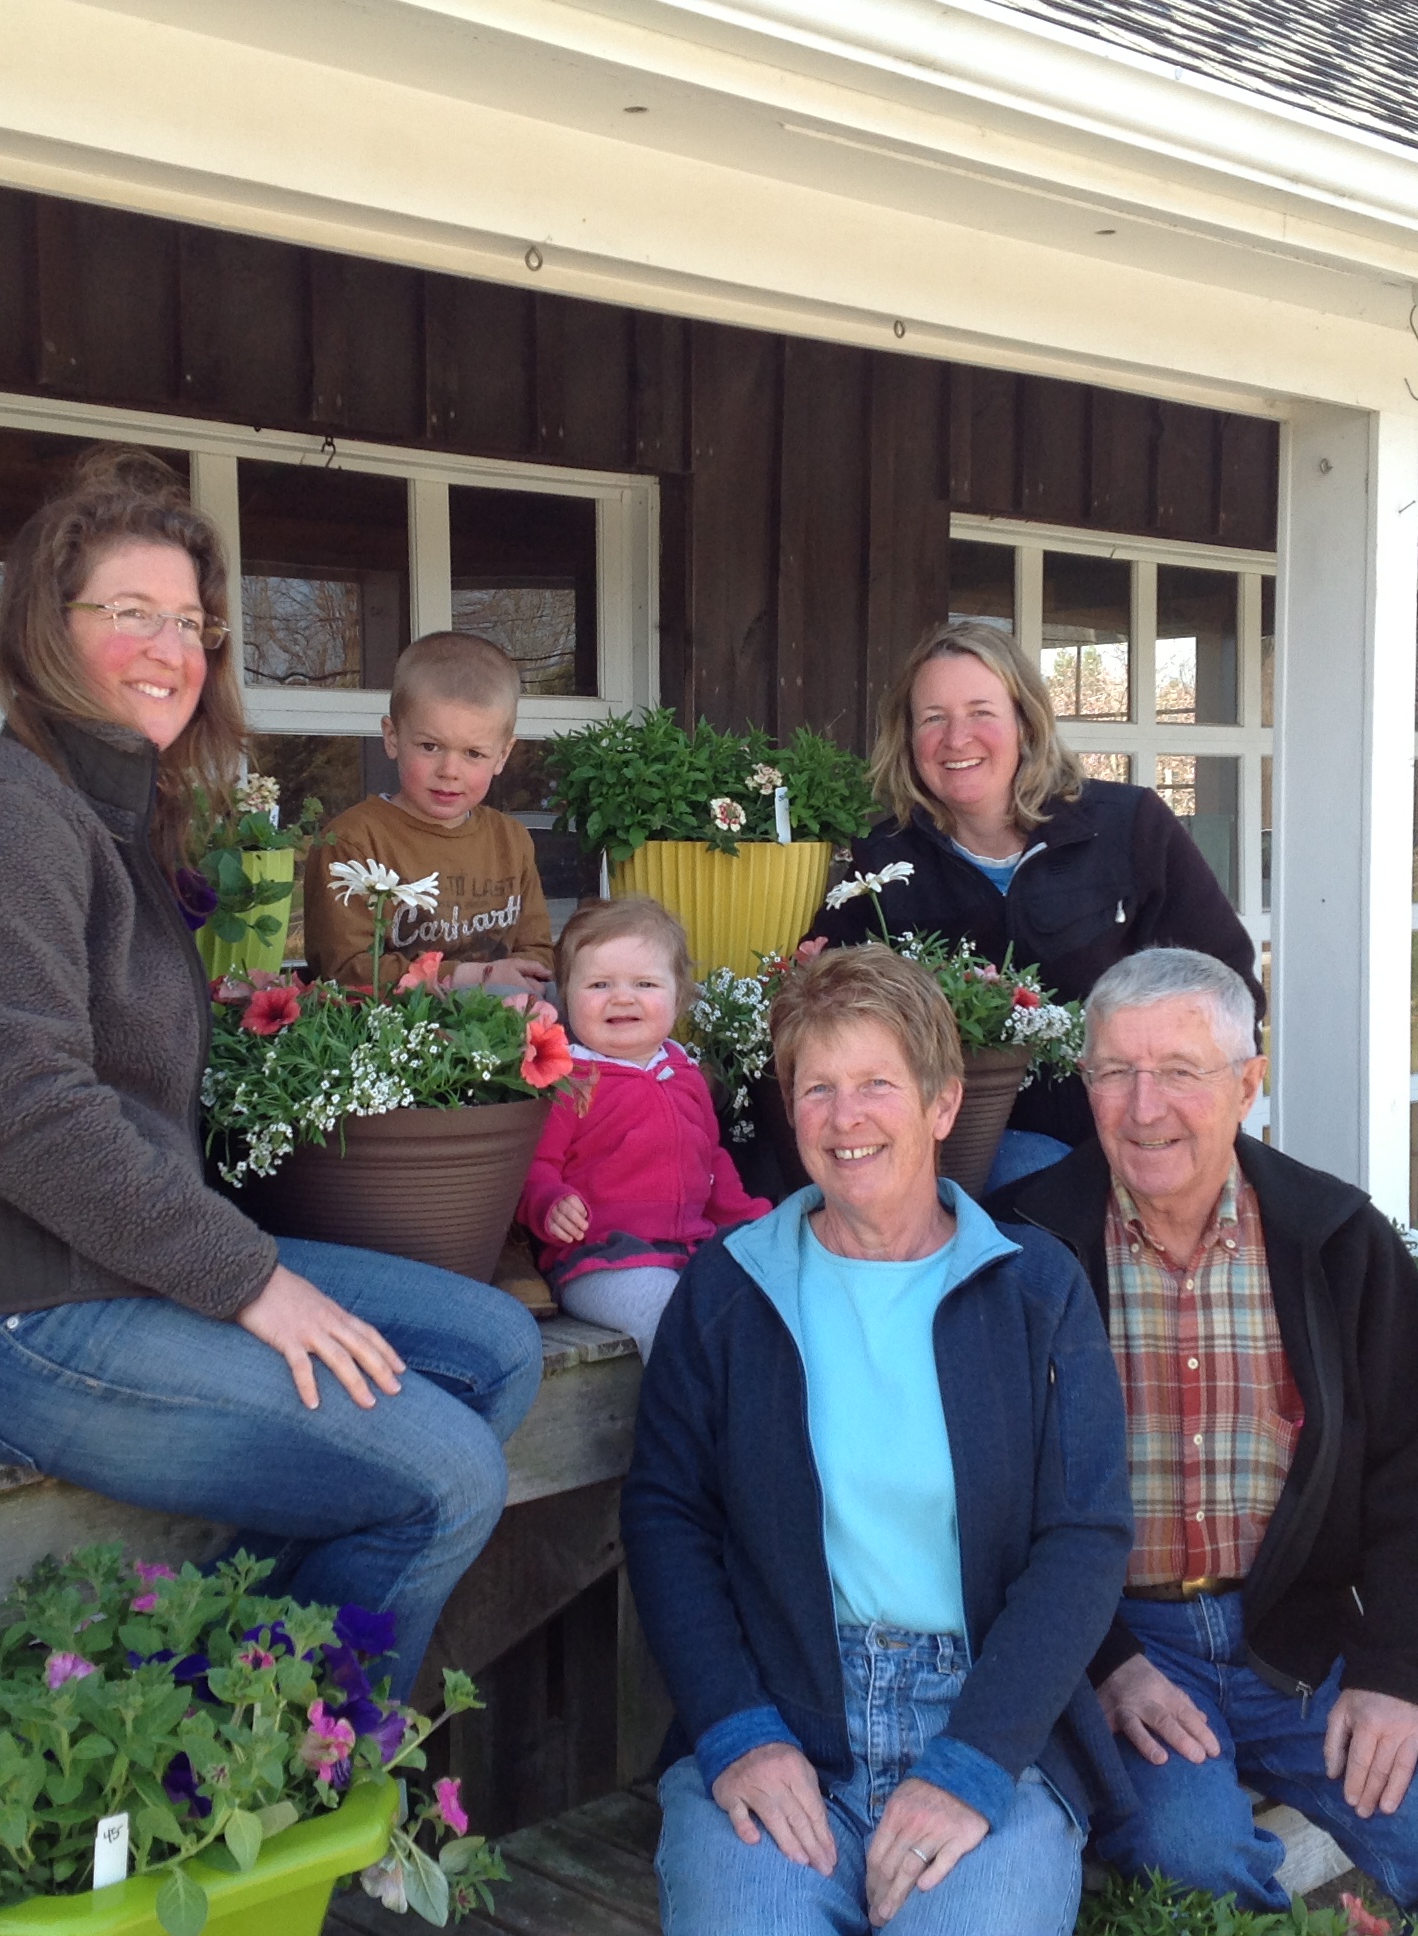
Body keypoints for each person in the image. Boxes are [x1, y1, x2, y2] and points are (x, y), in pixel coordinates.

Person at [0, 446, 545, 1701]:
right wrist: (249, 1278)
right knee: (447, 1473)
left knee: (493, 1348)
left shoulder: (115, 820)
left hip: (118, 1269)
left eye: (189, 620)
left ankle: (224, 1682)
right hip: (4, 1315)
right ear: (45, 630)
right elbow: (25, 1116)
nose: (171, 646)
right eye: (129, 613)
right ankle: (263, 1756)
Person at [989, 948, 1418, 1933]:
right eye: (1115, 1071)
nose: (1143, 1104)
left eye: (1180, 1070)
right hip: (1120, 1644)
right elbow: (989, 1496)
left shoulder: (1335, 1242)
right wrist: (1105, 1660)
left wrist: (1397, 1675)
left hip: (1299, 1639)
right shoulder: (1029, 1247)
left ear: (1249, 1082)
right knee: (1194, 1860)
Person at [624, 944, 1133, 1935]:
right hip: (782, 1716)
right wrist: (735, 1730)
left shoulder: (1033, 1287)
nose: (845, 1118)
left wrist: (975, 1760)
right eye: (817, 1088)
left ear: (943, 1103)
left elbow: (1085, 1539)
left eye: (875, 1085)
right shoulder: (731, 1288)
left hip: (990, 1720)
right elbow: (667, 1517)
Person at [805, 621, 1259, 1194]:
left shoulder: (1129, 827)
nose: (956, 738)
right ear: (907, 736)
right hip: (959, 1154)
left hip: (1136, 1132)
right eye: (933, 718)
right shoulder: (883, 859)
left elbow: (1229, 986)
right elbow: (829, 1015)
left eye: (981, 712)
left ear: (1026, 722)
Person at [517, 896, 768, 1359]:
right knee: (669, 1312)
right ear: (566, 997)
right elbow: (534, 1168)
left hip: (688, 1249)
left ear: (680, 996)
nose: (623, 997)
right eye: (599, 984)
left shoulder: (683, 1072)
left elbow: (711, 1162)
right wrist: (549, 1203)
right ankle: (683, 1425)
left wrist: (751, 1223)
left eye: (645, 983)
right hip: (602, 1260)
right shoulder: (570, 1081)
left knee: (753, 1298)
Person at [299, 629, 555, 992]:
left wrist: (523, 982)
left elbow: (537, 952)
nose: (450, 770)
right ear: (392, 738)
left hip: (498, 1025)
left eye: (474, 753)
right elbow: (343, 970)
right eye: (430, 746)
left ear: (503, 755)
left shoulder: (511, 840)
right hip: (390, 1035)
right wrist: (463, 977)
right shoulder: (353, 841)